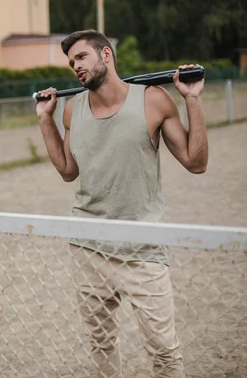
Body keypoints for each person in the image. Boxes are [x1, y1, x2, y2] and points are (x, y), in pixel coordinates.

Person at [35, 30, 207, 378]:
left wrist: (192, 99)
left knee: (163, 349)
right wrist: (45, 119)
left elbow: (196, 162)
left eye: (81, 57)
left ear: (106, 55)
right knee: (101, 346)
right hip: (88, 246)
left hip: (141, 248)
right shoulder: (72, 109)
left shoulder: (153, 100)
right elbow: (68, 171)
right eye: (71, 63)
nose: (75, 67)